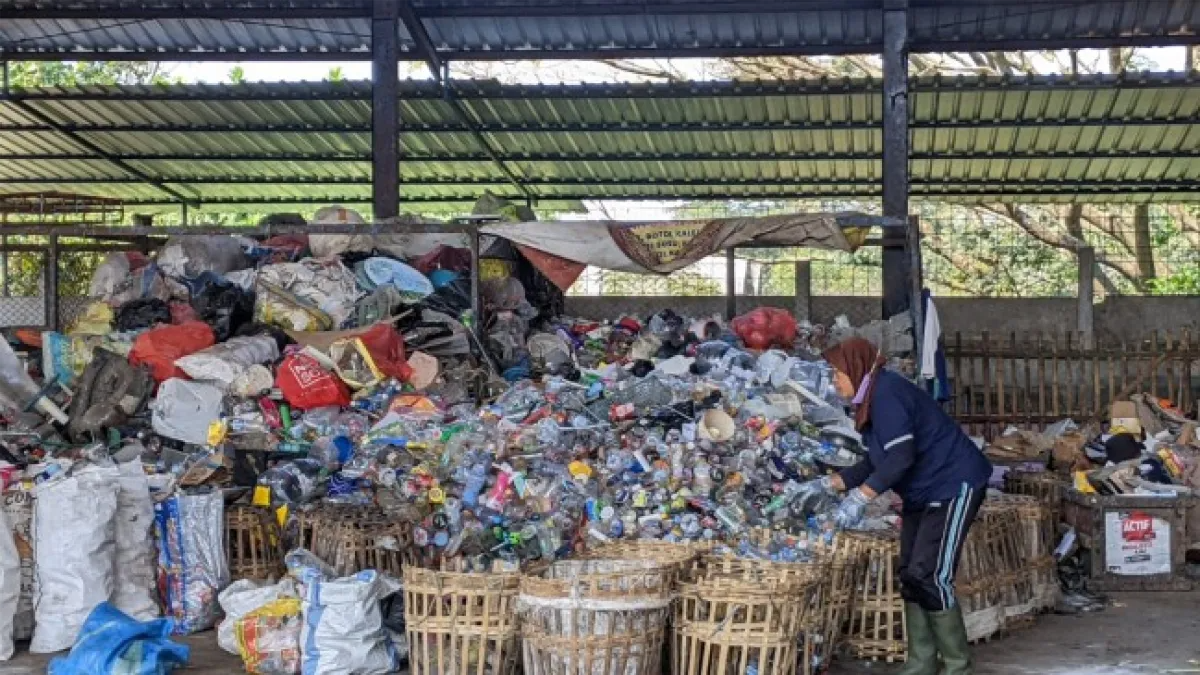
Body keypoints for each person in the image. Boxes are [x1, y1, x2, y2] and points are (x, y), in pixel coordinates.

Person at [801, 337, 992, 675]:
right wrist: (831, 484)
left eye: (837, 373)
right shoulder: (869, 401)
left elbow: (901, 457)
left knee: (932, 574)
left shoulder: (887, 394)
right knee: (911, 574)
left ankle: (957, 666)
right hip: (922, 491)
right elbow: (877, 460)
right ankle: (921, 662)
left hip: (953, 484)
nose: (834, 381)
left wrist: (861, 497)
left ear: (856, 369)